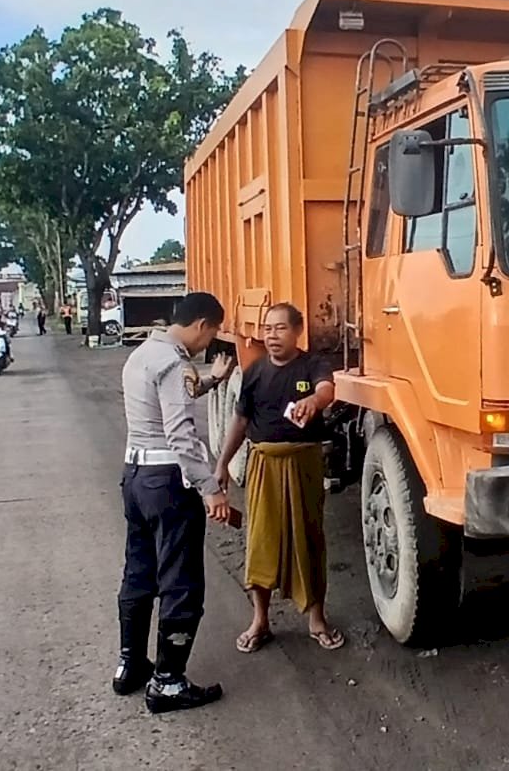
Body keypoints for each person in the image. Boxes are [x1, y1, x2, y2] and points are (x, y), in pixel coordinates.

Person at [116, 291, 236, 714]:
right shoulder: (174, 362)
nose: (210, 342)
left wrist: (211, 381)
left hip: (135, 477)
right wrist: (209, 486)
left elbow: (166, 399)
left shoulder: (142, 355)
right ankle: (167, 682)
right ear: (202, 324)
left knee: (139, 572)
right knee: (180, 581)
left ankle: (131, 664)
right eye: (213, 332)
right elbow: (180, 433)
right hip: (167, 483)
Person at [214, 302, 343, 653]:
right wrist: (222, 464)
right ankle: (260, 620)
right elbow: (240, 421)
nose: (272, 335)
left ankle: (317, 619)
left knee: (309, 539)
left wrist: (314, 401)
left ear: (297, 331)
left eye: (280, 328)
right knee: (261, 541)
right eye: (267, 329)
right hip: (264, 465)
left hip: (304, 464)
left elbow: (326, 390)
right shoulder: (255, 371)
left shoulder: (313, 364)